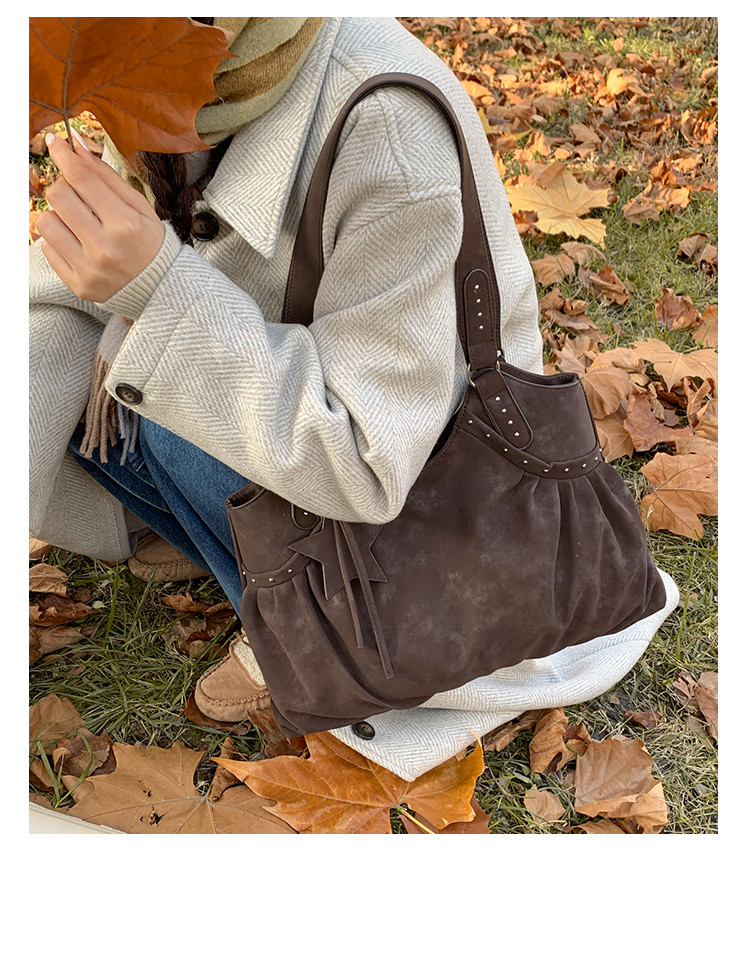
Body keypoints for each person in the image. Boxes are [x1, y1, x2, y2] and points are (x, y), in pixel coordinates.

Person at [30, 16, 677, 782]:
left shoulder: (387, 126)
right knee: (75, 356)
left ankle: (308, 616)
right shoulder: (158, 60)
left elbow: (370, 459)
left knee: (162, 374)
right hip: (285, 389)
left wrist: (163, 292)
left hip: (413, 482)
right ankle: (226, 542)